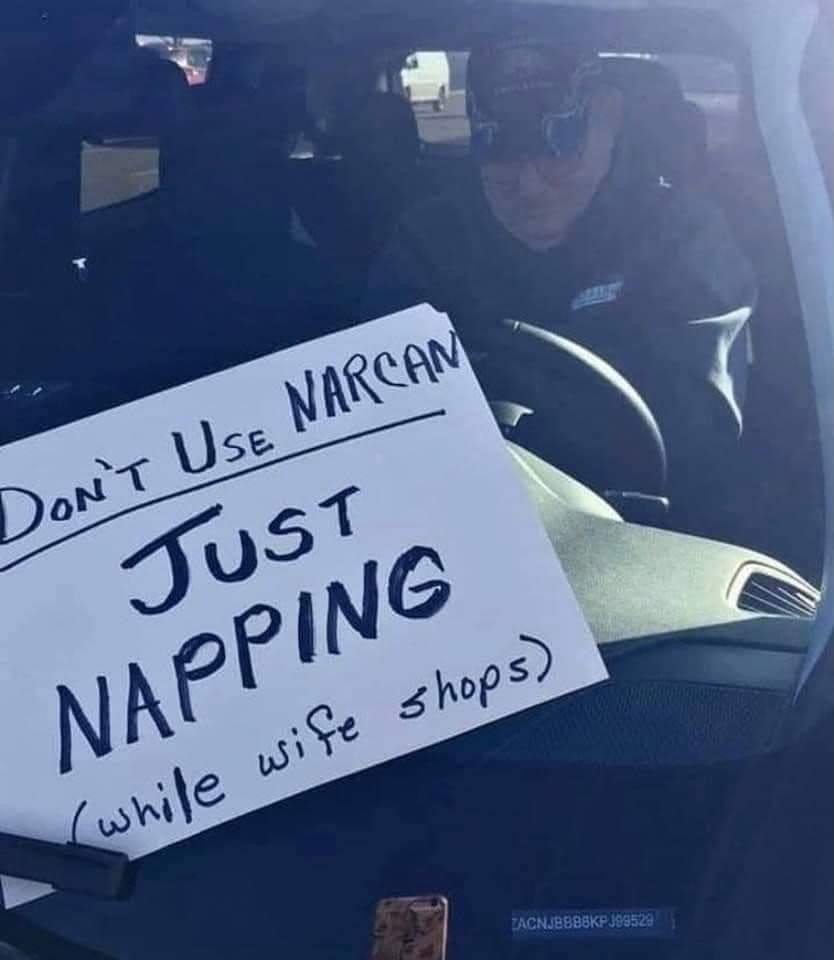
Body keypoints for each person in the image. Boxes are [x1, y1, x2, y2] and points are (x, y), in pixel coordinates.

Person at [362, 38, 756, 528]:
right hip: (449, 519)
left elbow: (699, 434)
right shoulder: (430, 238)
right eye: (502, 160)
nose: (529, 185)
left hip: (639, 532)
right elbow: (368, 403)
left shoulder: (685, 236)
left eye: (557, 152)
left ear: (610, 118)